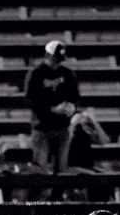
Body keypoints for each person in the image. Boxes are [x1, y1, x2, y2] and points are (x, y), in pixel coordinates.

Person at [24, 40, 80, 175]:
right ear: (47, 55)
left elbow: (75, 97)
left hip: (62, 126)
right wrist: (52, 109)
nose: (57, 63)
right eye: (55, 59)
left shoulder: (67, 74)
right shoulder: (36, 73)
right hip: (42, 127)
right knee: (40, 169)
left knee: (61, 169)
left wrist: (71, 107)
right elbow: (30, 100)